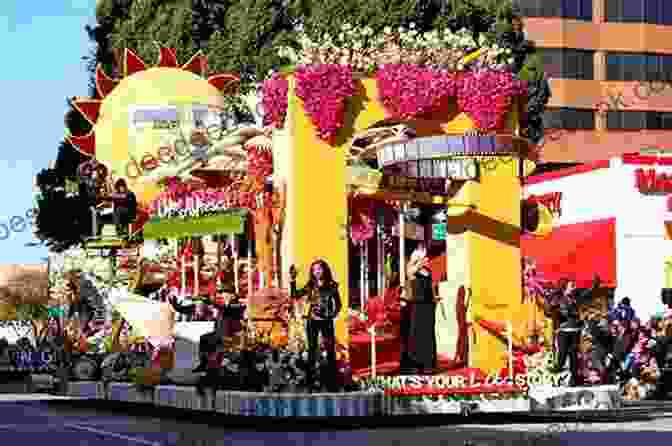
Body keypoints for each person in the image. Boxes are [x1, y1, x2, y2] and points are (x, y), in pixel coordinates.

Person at [289, 260, 342, 391]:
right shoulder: (310, 285)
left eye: (319, 269)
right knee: (312, 351)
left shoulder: (332, 285)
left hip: (326, 321)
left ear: (324, 269)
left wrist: (331, 314)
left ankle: (332, 383)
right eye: (314, 270)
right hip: (312, 321)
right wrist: (292, 280)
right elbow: (295, 295)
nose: (317, 272)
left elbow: (338, 305)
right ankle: (310, 383)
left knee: (330, 351)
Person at [552, 274, 600, 385]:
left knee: (573, 354)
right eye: (572, 285)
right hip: (563, 331)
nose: (574, 287)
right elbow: (557, 311)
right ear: (565, 287)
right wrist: (564, 311)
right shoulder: (559, 299)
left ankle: (574, 378)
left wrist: (595, 286)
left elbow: (588, 294)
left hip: (574, 330)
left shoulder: (575, 297)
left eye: (574, 285)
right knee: (563, 353)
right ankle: (558, 368)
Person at [404, 244, 440, 374]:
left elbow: (430, 287)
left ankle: (428, 363)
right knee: (417, 333)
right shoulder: (412, 269)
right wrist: (418, 262)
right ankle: (415, 363)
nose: (427, 259)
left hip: (429, 305)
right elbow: (410, 273)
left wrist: (435, 298)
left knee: (428, 333)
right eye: (424, 256)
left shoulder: (428, 271)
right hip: (418, 305)